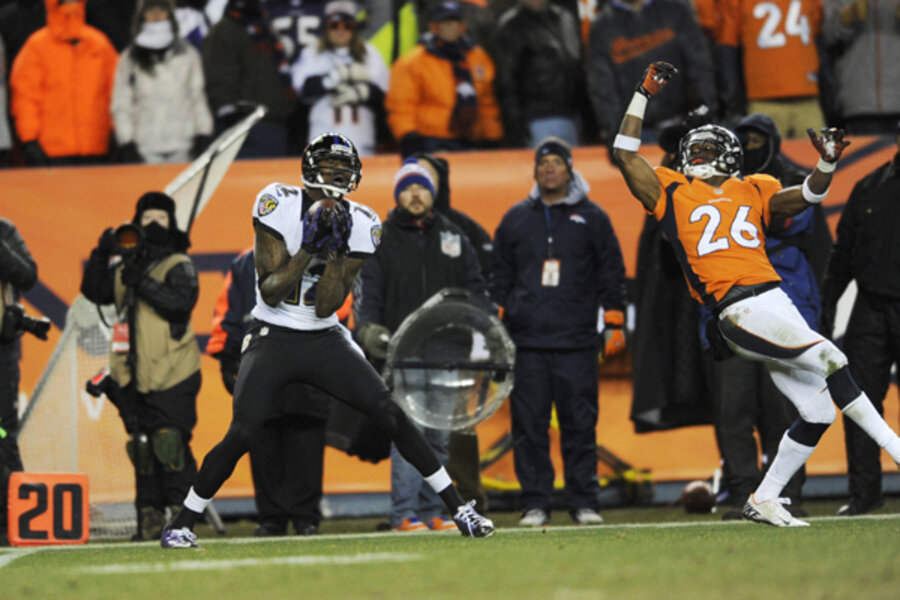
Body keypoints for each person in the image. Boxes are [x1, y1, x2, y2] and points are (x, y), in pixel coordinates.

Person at [161, 132, 493, 548]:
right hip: (274, 333)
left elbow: (325, 307)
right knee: (244, 432)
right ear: (309, 167)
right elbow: (270, 291)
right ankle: (181, 523)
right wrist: (309, 250)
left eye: (343, 167)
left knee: (390, 412)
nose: (336, 173)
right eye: (329, 165)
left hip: (323, 336)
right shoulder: (276, 201)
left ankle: (460, 508)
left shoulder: (364, 223)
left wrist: (334, 254)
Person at [612, 61, 900, 527]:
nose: (702, 151)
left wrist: (826, 162)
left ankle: (764, 497)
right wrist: (642, 93)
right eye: (697, 145)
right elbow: (625, 154)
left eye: (711, 146)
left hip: (775, 300)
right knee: (832, 360)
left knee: (817, 410)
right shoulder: (671, 188)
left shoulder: (755, 187)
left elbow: (806, 196)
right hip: (737, 307)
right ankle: (895, 447)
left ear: (730, 155)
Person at [491, 137, 627, 527]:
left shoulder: (595, 217)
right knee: (529, 428)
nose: (549, 169)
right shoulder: (516, 218)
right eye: (543, 163)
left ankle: (584, 502)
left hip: (577, 341)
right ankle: (536, 503)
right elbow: (499, 278)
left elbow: (610, 272)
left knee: (580, 425)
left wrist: (614, 320)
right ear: (535, 171)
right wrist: (494, 326)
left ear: (570, 169)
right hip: (526, 342)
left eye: (557, 162)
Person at [702, 113, 829, 519]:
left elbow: (795, 221)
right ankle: (742, 490)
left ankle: (786, 492)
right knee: (733, 410)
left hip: (785, 310)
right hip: (734, 314)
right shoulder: (705, 190)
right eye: (745, 139)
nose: (751, 145)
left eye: (759, 138)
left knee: (786, 410)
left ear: (772, 140)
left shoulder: (782, 181)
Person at [354, 162, 490, 532]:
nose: (416, 194)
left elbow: (476, 289)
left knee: (440, 437)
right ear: (397, 195)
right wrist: (367, 329)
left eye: (422, 188)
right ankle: (404, 514)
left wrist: (484, 328)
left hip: (448, 352)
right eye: (408, 188)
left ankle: (434, 511)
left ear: (433, 194)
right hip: (404, 352)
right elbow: (368, 292)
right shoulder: (380, 239)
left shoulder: (454, 236)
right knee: (408, 436)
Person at [81, 192, 202, 540]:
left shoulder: (179, 262)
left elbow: (181, 304)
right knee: (143, 447)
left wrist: (143, 282)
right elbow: (94, 291)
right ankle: (148, 522)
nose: (153, 224)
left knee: (170, 444)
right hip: (130, 372)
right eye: (147, 217)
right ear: (136, 220)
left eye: (161, 218)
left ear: (172, 222)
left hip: (174, 370)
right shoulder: (122, 265)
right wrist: (102, 252)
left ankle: (183, 520)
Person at [207, 248, 331, 536]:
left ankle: (304, 517)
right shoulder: (244, 263)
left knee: (306, 439)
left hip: (307, 360)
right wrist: (227, 360)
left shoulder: (321, 256)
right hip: (262, 361)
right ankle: (273, 517)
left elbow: (340, 306)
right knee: (263, 441)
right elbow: (226, 312)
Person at [819, 121, 900, 516]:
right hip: (870, 306)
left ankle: (865, 492)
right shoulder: (868, 186)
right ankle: (864, 494)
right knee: (858, 401)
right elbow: (843, 253)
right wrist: (827, 306)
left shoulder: (872, 185)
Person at [586, 0, 716, 144]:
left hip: (680, 122)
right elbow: (603, 88)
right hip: (636, 132)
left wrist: (707, 113)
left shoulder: (675, 9)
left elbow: (699, 66)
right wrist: (617, 136)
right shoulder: (602, 26)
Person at [385, 1, 503, 156]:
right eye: (445, 22)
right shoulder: (414, 61)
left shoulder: (477, 57)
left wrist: (492, 135)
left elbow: (487, 102)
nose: (450, 27)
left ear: (463, 26)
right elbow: (402, 105)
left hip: (470, 138)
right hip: (430, 138)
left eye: (454, 22)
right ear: (434, 27)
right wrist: (407, 135)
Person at [9, 0, 118, 167]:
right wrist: (29, 140)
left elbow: (116, 95)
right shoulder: (36, 47)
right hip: (51, 152)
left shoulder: (100, 45)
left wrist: (117, 136)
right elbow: (25, 98)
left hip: (95, 147)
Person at [111, 0, 213, 165]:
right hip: (144, 148)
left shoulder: (187, 54)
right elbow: (122, 103)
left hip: (183, 146)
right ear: (142, 16)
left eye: (162, 10)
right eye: (150, 10)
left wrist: (203, 133)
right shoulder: (130, 57)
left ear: (170, 15)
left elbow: (197, 97)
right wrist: (126, 141)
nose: (157, 15)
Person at [291, 0, 390, 157]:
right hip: (323, 136)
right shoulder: (312, 52)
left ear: (354, 28)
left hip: (361, 136)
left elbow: (383, 95)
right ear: (326, 27)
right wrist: (336, 77)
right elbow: (304, 91)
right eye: (334, 25)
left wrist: (363, 93)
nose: (340, 31)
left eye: (347, 26)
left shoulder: (369, 53)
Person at [716, 0, 825, 137]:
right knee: (816, 155)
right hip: (783, 97)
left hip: (784, 98)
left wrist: (733, 103)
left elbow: (727, 46)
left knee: (815, 155)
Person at [201, 0, 295, 158]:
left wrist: (289, 107)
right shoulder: (224, 30)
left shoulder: (264, 29)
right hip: (246, 125)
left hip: (275, 121)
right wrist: (228, 112)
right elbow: (218, 76)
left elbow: (277, 74)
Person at [494, 0, 584, 148]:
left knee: (572, 169)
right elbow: (506, 81)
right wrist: (516, 127)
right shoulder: (512, 25)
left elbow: (578, 66)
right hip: (537, 118)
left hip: (572, 115)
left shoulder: (566, 18)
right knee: (545, 169)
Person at [0, 218, 38, 546]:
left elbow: (27, 275)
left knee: (2, 435)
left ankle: (12, 520)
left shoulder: (4, 231)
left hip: (1, 350)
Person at [821, 0, 900, 134]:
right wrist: (850, 14)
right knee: (867, 155)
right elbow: (827, 36)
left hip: (896, 98)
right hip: (859, 103)